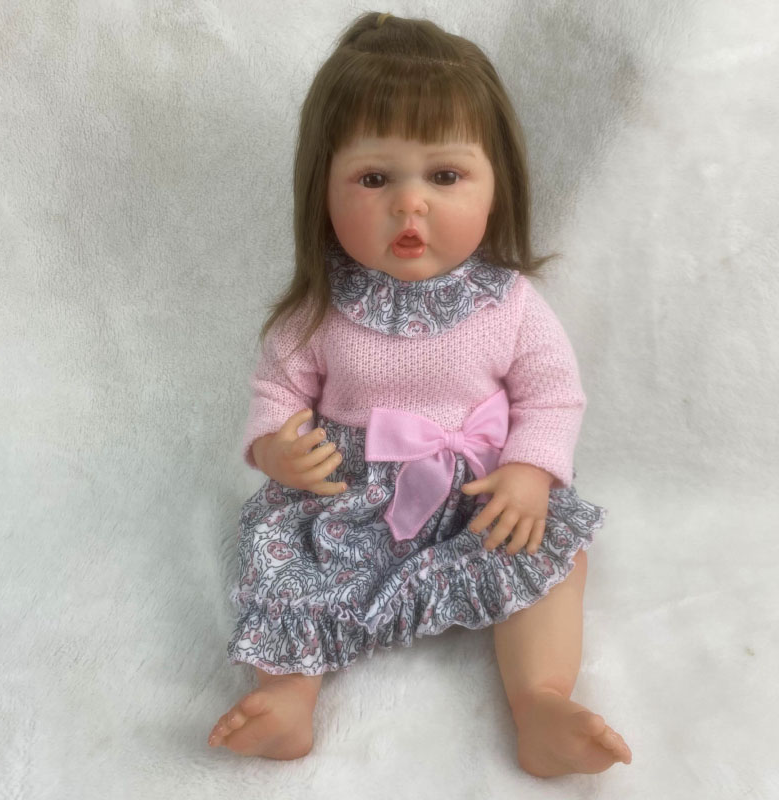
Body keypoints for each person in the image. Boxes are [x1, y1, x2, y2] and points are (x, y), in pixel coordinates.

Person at [207, 11, 632, 776]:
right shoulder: (320, 309)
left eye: (444, 176)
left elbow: (552, 396)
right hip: (348, 503)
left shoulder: (508, 303)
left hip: (481, 494)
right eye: (375, 179)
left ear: (497, 184)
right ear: (322, 189)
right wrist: (275, 449)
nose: (411, 206)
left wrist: (531, 470)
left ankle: (540, 701)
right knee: (281, 566)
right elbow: (277, 389)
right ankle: (287, 702)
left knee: (553, 562)